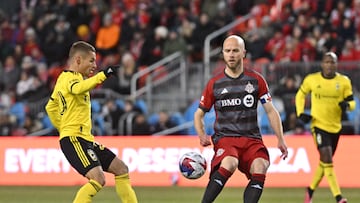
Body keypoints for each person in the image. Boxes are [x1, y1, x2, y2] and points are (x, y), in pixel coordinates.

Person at [194, 35, 288, 203]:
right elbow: (199, 114)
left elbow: (271, 111)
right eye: (227, 51)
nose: (231, 54)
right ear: (222, 54)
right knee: (229, 163)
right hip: (226, 138)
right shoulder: (215, 83)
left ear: (243, 53)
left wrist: (280, 139)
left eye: (235, 51)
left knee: (261, 166)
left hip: (252, 139)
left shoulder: (257, 80)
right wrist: (201, 134)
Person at [45, 41, 138, 203]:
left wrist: (62, 127)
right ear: (78, 60)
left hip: (84, 139)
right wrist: (104, 74)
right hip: (75, 139)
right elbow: (77, 89)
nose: (94, 65)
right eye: (91, 61)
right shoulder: (70, 78)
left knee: (121, 169)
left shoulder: (66, 79)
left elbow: (50, 107)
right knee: (98, 179)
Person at [295, 52, 355, 203]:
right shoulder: (312, 79)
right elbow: (300, 95)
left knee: (324, 163)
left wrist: (347, 105)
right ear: (322, 64)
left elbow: (353, 103)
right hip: (318, 125)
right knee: (327, 159)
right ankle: (338, 197)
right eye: (327, 62)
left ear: (336, 64)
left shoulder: (344, 81)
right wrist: (300, 113)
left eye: (332, 62)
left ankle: (310, 190)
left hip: (335, 127)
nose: (329, 65)